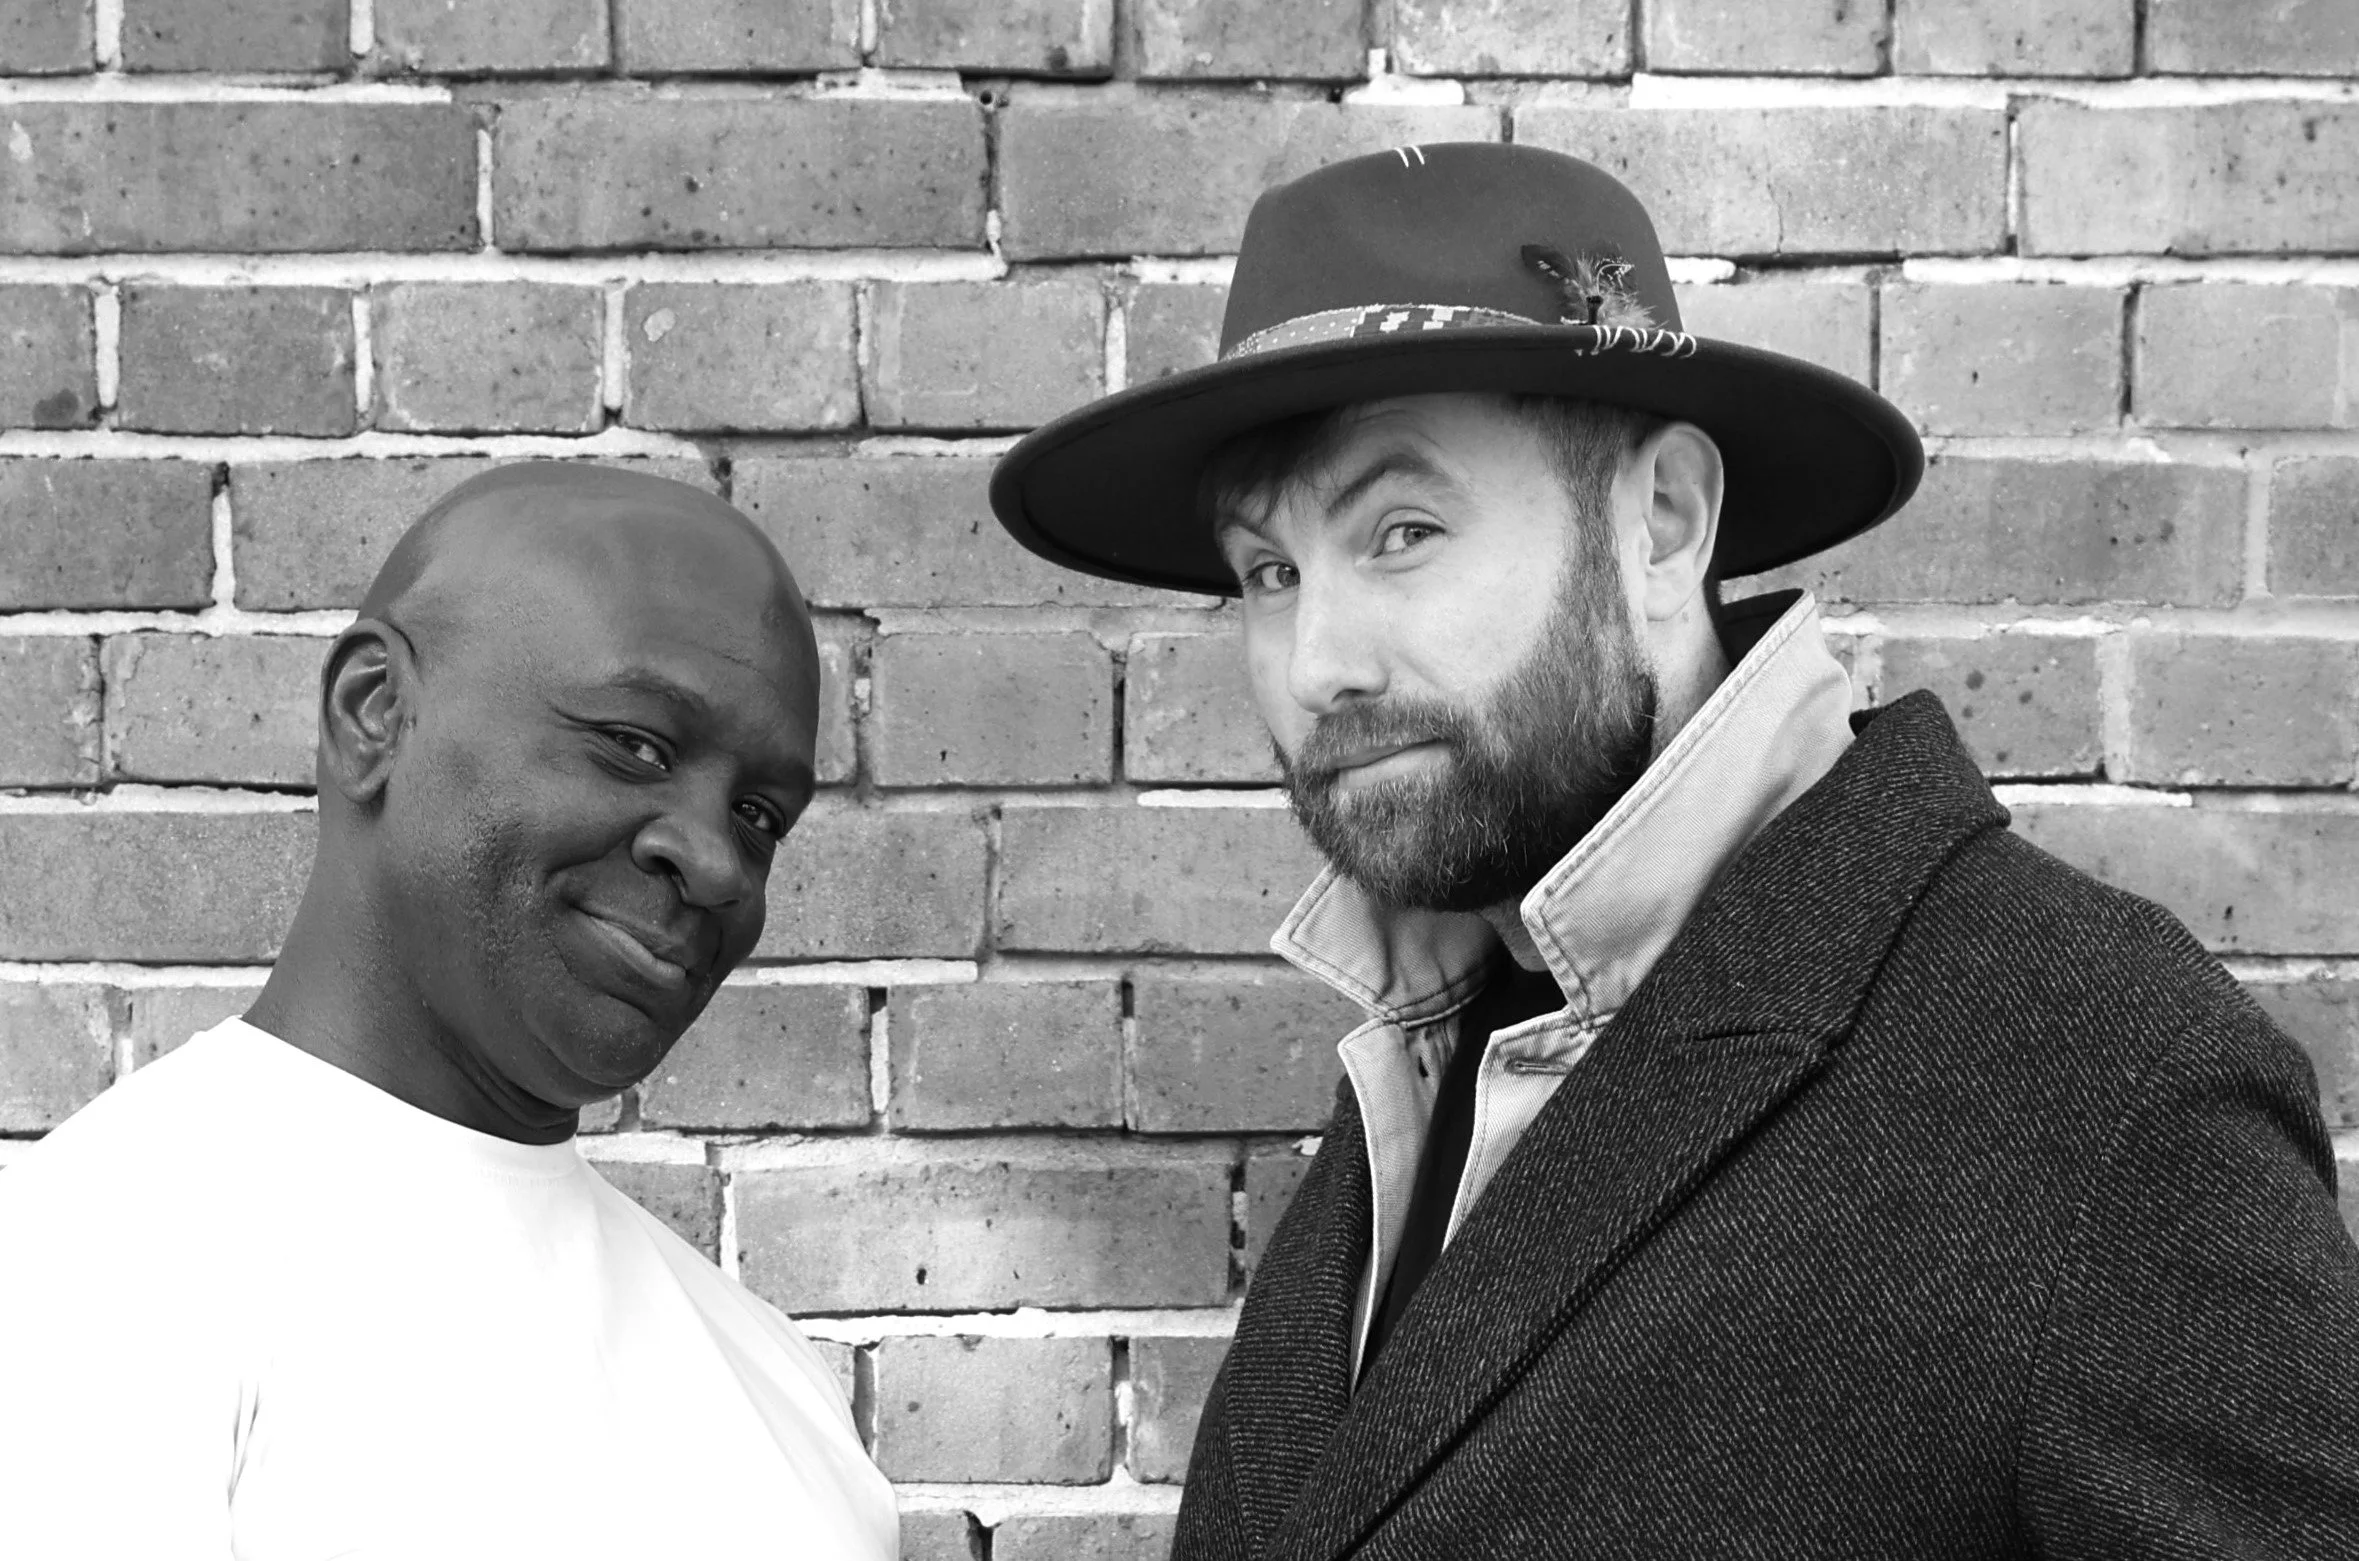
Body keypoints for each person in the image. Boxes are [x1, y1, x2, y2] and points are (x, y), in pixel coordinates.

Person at [989, 144, 2359, 1556]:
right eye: (1269, 573)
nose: (1315, 662)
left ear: (1661, 523)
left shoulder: (2092, 1078)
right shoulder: (1435, 1049)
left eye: (1400, 532)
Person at [0, 464, 898, 1558]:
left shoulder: (783, 1385)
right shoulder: (93, 1273)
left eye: (759, 815)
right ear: (375, 714)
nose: (716, 862)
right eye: (636, 744)